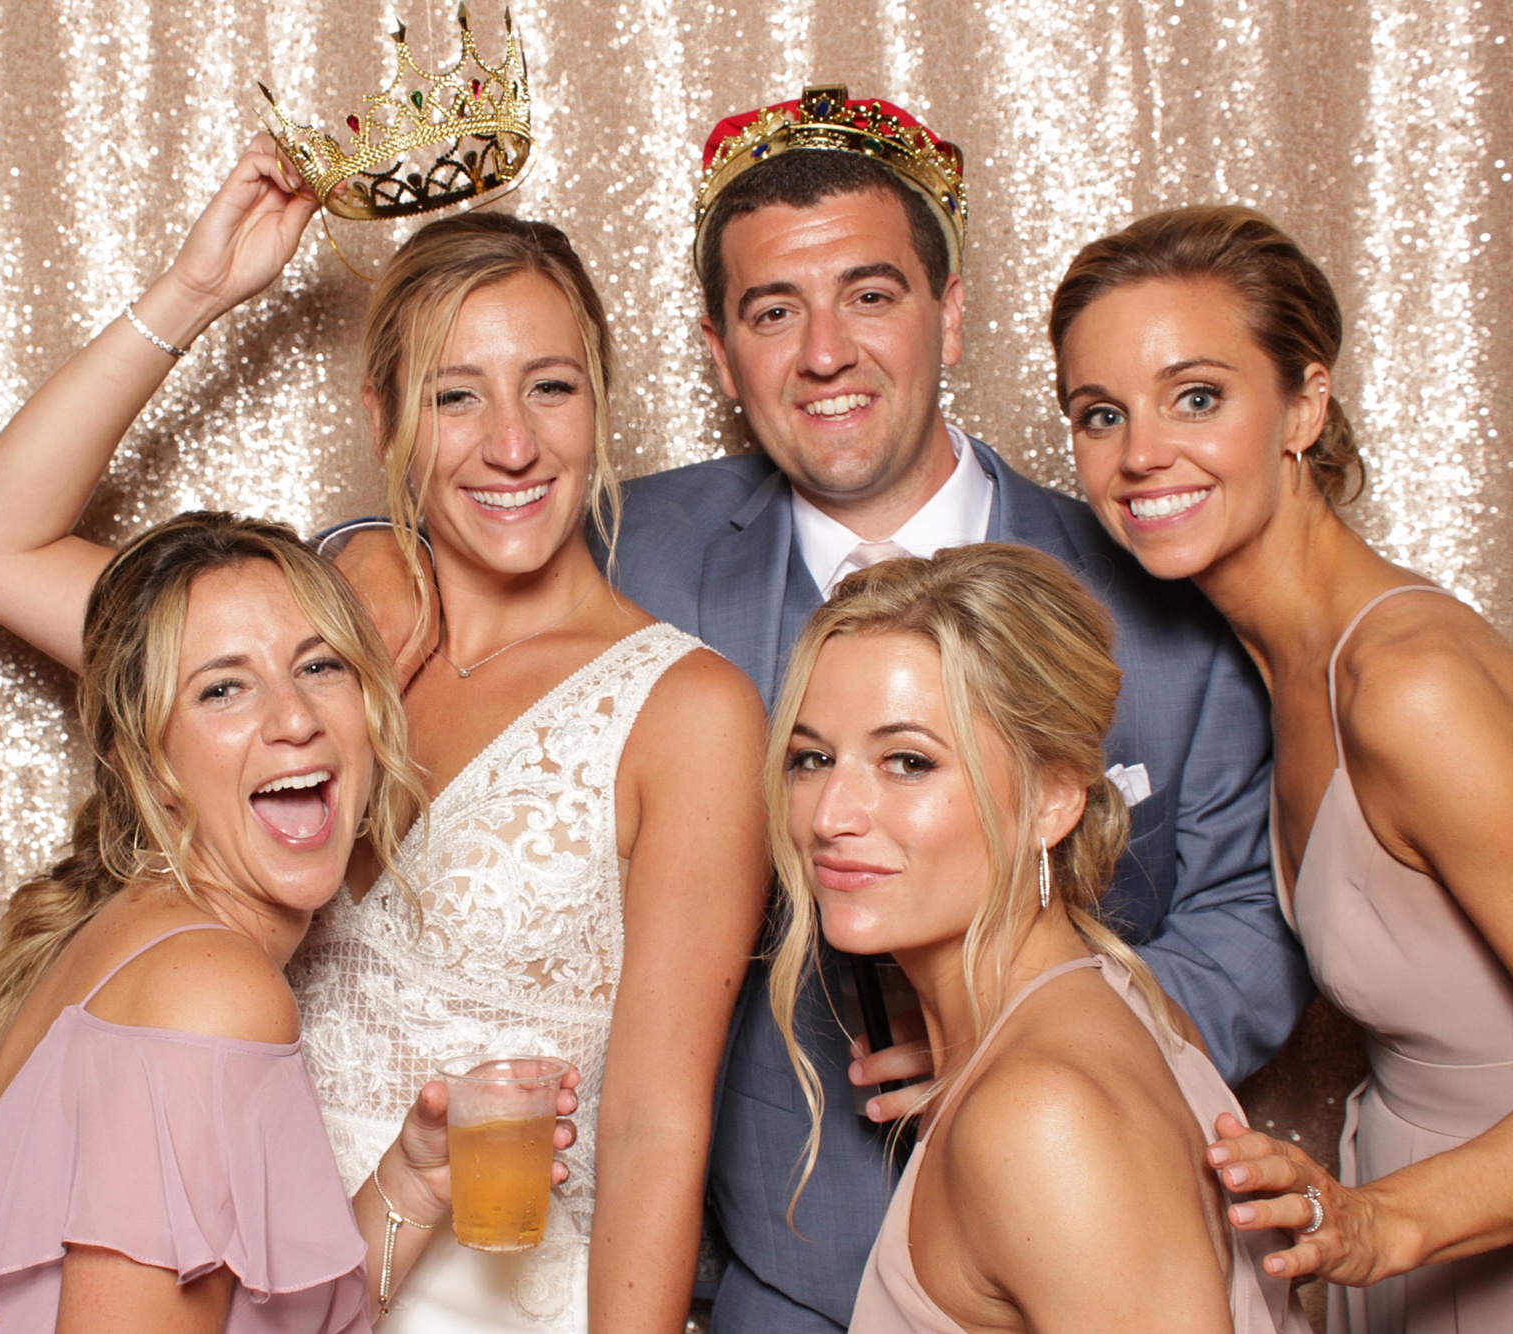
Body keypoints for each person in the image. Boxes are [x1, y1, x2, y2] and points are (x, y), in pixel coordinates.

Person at [332, 85, 1307, 1330]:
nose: (824, 352)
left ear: (950, 315)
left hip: (1077, 1237)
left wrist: (1015, 1029)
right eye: (772, 310)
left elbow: (1252, 913)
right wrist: (364, 546)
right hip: (764, 1281)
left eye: (869, 295)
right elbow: (462, 514)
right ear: (718, 348)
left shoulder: (1150, 583)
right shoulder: (633, 550)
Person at [0, 133, 771, 1334]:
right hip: (227, 1273)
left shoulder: (683, 708)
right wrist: (195, 293)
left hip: (490, 1295)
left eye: (550, 383)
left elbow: (652, 1122)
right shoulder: (308, 652)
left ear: (600, 399)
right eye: (453, 392)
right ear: (383, 413)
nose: (512, 442)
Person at [0, 512, 583, 1332]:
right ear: (148, 763)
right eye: (224, 687)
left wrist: (412, 1183)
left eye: (320, 666)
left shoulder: (140, 930)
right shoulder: (211, 992)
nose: (294, 719)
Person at [1051, 204, 1513, 1333]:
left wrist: (1383, 1219)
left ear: (1304, 403)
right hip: (1395, 1232)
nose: (1140, 451)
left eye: (1194, 395)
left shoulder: (1406, 683)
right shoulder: (1271, 663)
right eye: (1097, 413)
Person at [766, 542, 1310, 1333]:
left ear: (1054, 796)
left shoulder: (1041, 1119)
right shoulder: (1110, 1007)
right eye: (812, 758)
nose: (828, 816)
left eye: (908, 762)